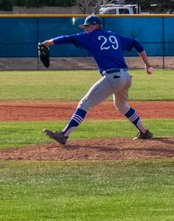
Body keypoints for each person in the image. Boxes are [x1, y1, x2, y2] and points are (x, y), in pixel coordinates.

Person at [38, 14, 154, 145]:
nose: (85, 29)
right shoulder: (114, 35)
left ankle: (64, 135)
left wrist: (47, 43)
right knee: (121, 105)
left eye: (87, 26)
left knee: (84, 104)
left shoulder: (90, 37)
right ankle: (144, 132)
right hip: (126, 77)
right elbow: (135, 42)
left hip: (113, 77)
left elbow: (67, 38)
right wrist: (147, 64)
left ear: (95, 25)